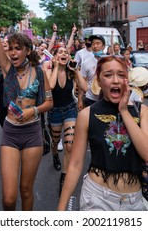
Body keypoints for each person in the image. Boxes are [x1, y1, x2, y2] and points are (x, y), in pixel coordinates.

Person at [0, 0, 53, 211]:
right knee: (8, 197)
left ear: (27, 50)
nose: (12, 53)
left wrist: (32, 111)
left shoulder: (39, 72)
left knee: (26, 190)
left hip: (32, 133)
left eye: (17, 49)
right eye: (10, 49)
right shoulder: (7, 69)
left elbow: (48, 103)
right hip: (11, 133)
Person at [58, 55, 148, 211]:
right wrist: (61, 207)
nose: (115, 80)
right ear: (99, 81)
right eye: (108, 75)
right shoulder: (87, 114)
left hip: (134, 202)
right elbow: (75, 164)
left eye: (121, 75)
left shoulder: (142, 112)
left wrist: (125, 111)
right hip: (97, 198)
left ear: (127, 80)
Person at [44, 46, 87, 195]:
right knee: (55, 143)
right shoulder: (49, 69)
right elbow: (50, 86)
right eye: (60, 52)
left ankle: (64, 176)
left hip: (70, 110)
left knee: (69, 145)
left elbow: (85, 87)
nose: (64, 54)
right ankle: (55, 154)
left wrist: (76, 71)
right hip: (54, 112)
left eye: (66, 52)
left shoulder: (71, 71)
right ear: (55, 56)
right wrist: (56, 66)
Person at [78, 34, 105, 110]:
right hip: (90, 99)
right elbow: (82, 81)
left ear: (103, 46)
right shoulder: (86, 63)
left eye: (98, 43)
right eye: (93, 44)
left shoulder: (109, 61)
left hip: (106, 98)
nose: (95, 46)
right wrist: (80, 99)